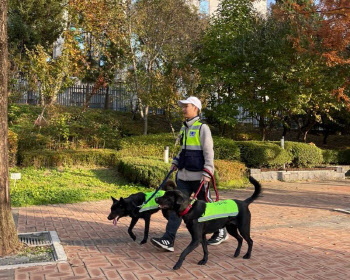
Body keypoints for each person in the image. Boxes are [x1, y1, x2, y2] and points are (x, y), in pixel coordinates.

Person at [151, 96, 228, 252]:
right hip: (184, 177)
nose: (183, 108)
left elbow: (208, 151)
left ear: (196, 108)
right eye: (183, 106)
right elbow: (183, 150)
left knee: (208, 207)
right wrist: (176, 161)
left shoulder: (202, 128)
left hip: (200, 177)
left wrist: (208, 171)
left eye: (187, 106)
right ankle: (168, 240)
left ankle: (221, 230)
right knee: (175, 207)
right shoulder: (184, 127)